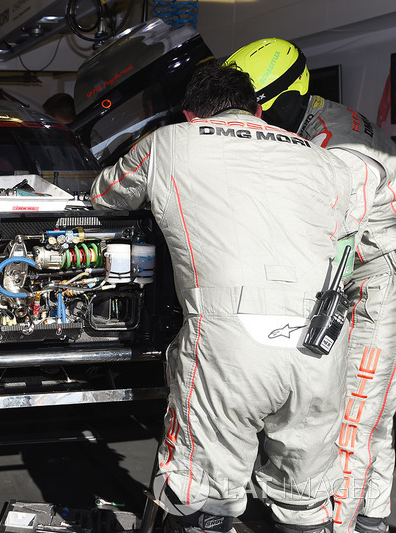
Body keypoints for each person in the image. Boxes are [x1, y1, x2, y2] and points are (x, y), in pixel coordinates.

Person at [90, 62, 373, 533]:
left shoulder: (168, 143)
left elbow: (106, 195)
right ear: (259, 109)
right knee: (305, 497)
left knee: (203, 495)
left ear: (189, 114)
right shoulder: (324, 158)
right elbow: (350, 223)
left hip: (229, 344)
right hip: (322, 343)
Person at [226, 38, 396, 533]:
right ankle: (372, 517)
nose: (250, 117)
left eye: (255, 105)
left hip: (377, 278)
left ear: (286, 93)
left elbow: (321, 235)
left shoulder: (341, 148)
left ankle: (342, 523)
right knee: (375, 418)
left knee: (354, 417)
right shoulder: (304, 120)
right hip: (351, 268)